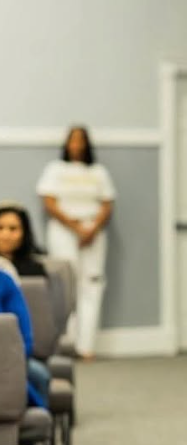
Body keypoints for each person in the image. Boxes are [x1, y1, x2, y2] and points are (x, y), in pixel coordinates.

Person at [36, 125, 115, 360]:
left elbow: (107, 204)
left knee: (92, 283)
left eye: (81, 140)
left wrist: (91, 229)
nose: (77, 145)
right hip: (64, 230)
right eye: (73, 140)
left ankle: (86, 345)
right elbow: (49, 202)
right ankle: (67, 343)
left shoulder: (99, 172)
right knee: (65, 283)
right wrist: (75, 227)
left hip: (93, 232)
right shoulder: (55, 169)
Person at [0, 269, 50, 407]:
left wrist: (14, 359)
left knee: (40, 376)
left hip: (10, 359)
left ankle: (38, 416)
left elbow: (25, 334)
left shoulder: (4, 281)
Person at [0, 203, 47, 277]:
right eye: (0, 228)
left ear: (25, 232)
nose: (5, 235)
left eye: (13, 228)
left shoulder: (34, 269)